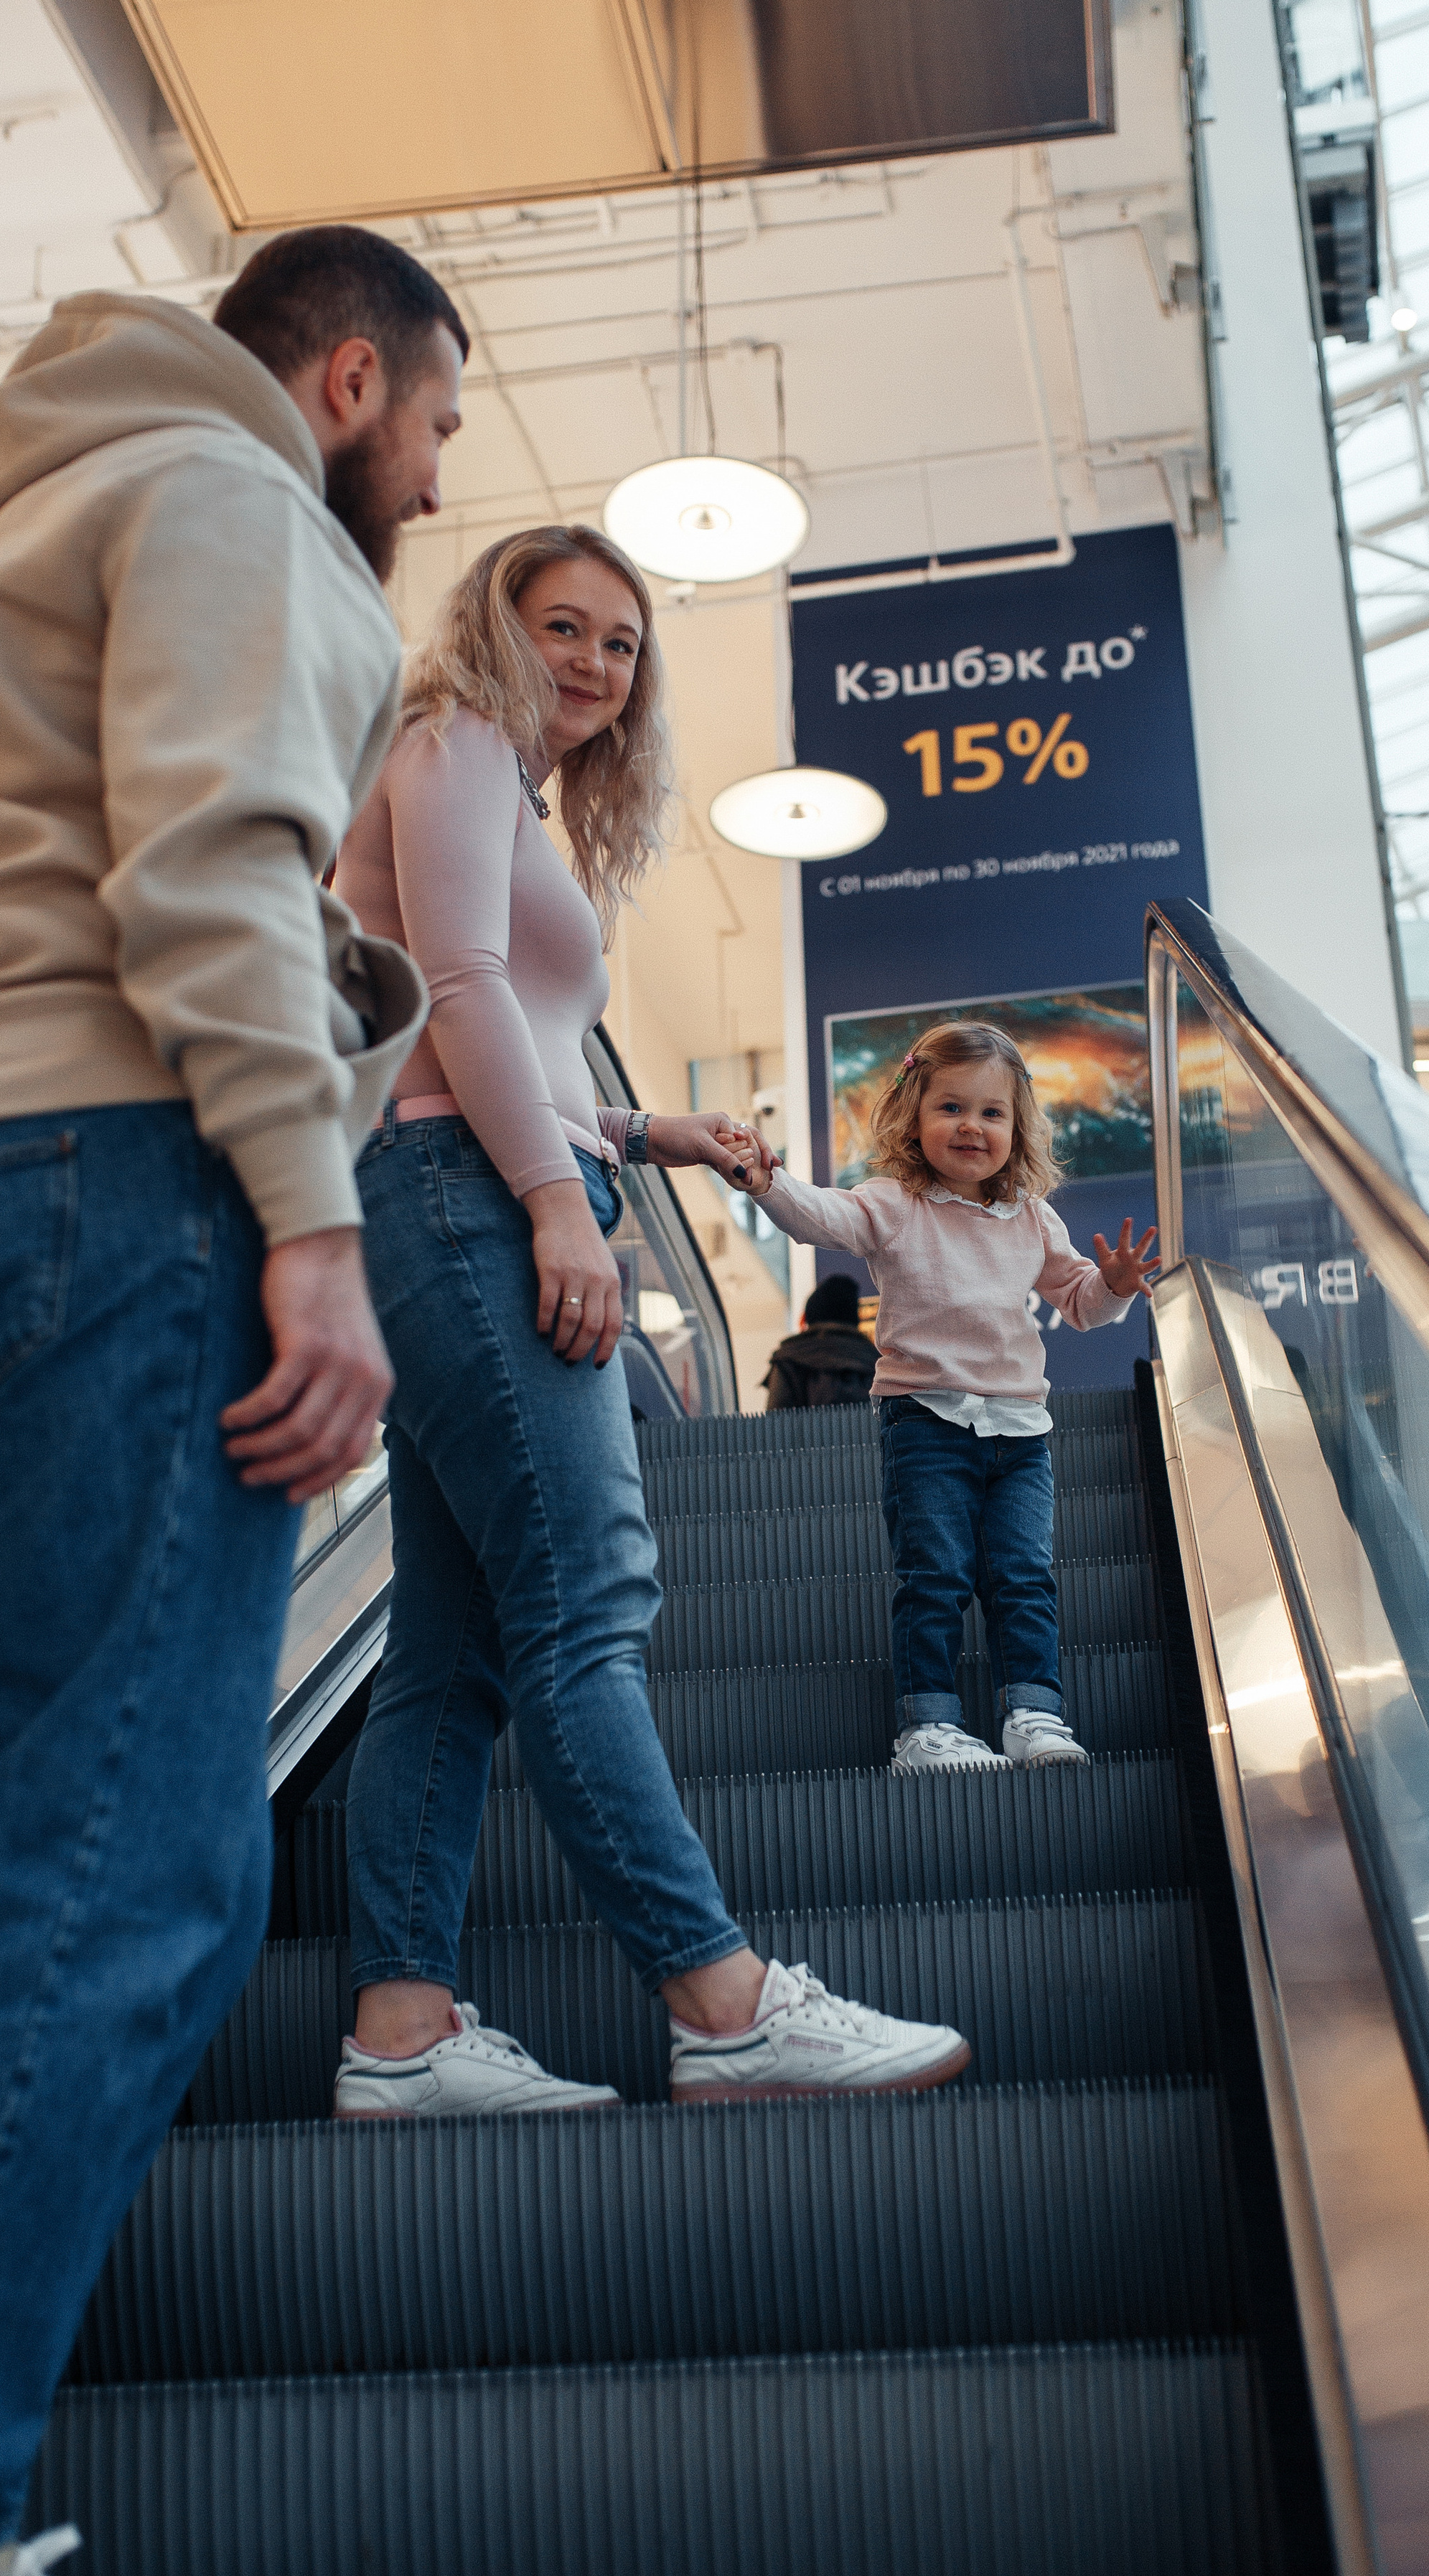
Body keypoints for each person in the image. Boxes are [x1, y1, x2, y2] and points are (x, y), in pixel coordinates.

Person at [0, 225, 466, 2576]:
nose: (430, 489)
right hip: (118, 1192)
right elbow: (209, 876)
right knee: (124, 1849)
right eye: (434, 440)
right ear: (343, 377)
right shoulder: (239, 501)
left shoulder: (22, 526)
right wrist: (315, 1222)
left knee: (33, 1822)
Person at [331, 522, 973, 2117]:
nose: (593, 664)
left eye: (621, 644)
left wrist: (636, 1141)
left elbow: (478, 1025)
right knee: (585, 1598)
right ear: (495, 623)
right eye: (563, 626)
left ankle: (400, 2029)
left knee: (449, 1650)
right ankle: (720, 2000)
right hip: (463, 1202)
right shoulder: (457, 732)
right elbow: (463, 989)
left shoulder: (493, 778)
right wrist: (560, 1204)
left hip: (441, 1184)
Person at [735, 1020, 1157, 1774]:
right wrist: (769, 1183)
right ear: (914, 1117)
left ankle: (1033, 1714)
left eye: (992, 1113)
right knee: (935, 1573)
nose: (972, 1126)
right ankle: (924, 1730)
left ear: (1016, 1126)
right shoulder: (894, 1203)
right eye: (951, 1108)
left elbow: (1081, 1302)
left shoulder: (1031, 1215)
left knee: (1022, 1575)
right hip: (925, 1421)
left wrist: (1116, 1285)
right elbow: (819, 1218)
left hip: (1020, 1430)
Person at [763, 1271, 879, 1408]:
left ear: (812, 1315)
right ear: (854, 1317)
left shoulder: (789, 1359)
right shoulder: (878, 1362)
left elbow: (776, 1422)